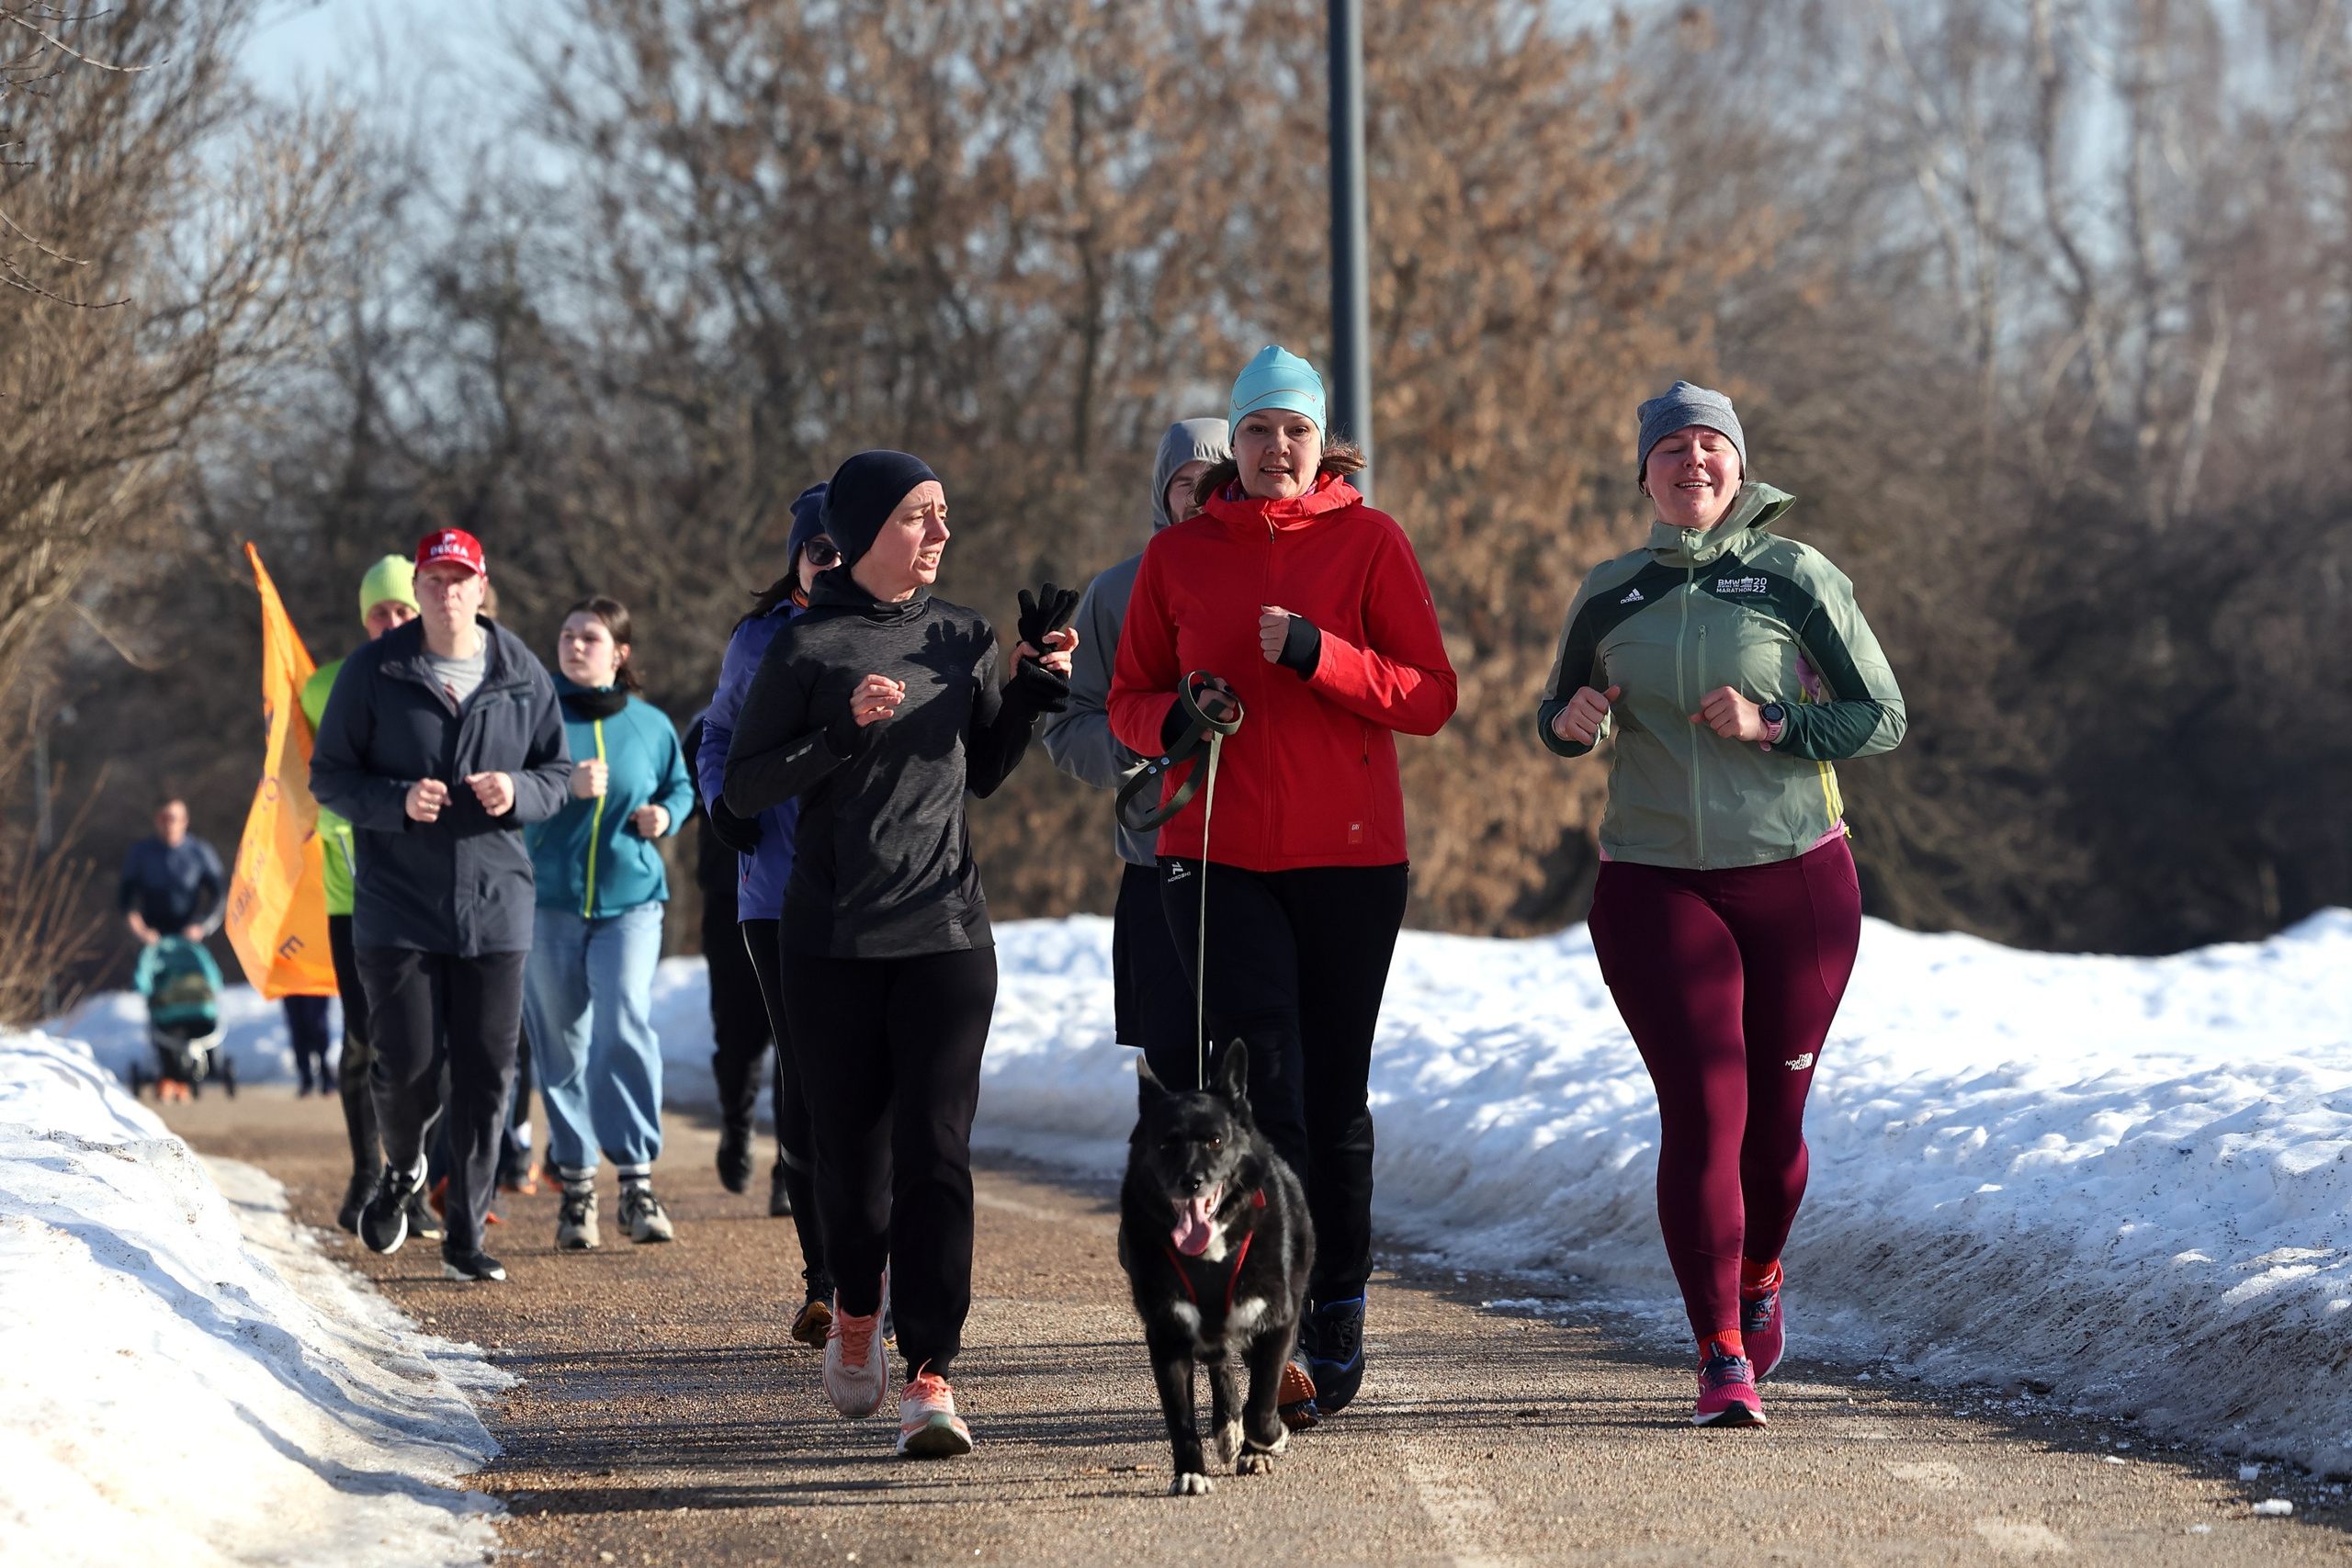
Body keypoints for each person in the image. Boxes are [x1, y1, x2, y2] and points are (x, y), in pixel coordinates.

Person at [1536, 380, 1906, 1427]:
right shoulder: (1610, 593)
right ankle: (1720, 1354)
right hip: (1652, 882)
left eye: (1711, 447)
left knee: (1774, 1130)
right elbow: (1558, 712)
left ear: (1739, 468)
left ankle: (1761, 1273)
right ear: (1643, 472)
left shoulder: (1795, 579)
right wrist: (1572, 725)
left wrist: (1773, 722)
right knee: (1703, 1113)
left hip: (1795, 878)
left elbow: (1880, 718)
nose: (1692, 463)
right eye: (1672, 450)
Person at [1107, 346, 1457, 1427]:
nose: (1274, 449)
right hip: (1213, 860)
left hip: (1350, 864)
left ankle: (1338, 1297)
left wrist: (1319, 654)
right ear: (1234, 440)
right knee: (1264, 1085)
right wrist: (1177, 716)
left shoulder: (1370, 540)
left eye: (1292, 432)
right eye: (1256, 431)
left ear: (1319, 443)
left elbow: (1429, 695)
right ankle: (1279, 1323)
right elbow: (1127, 697)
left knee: (1333, 1094)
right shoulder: (1180, 555)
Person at [725, 450, 1075, 1460]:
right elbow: (743, 790)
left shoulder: (960, 633)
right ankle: (854, 1308)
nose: (941, 533)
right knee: (853, 1163)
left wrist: (1030, 687)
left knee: (938, 1151)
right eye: (923, 516)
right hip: (830, 941)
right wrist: (838, 732)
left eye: (945, 516)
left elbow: (987, 772)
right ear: (873, 526)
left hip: (946, 931)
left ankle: (931, 1370)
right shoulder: (802, 647)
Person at [311, 527, 571, 1285]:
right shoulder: (374, 672)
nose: (448, 592)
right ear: (418, 590)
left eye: (462, 579)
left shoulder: (521, 669)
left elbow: (555, 768)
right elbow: (329, 777)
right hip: (398, 904)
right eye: (435, 580)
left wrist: (518, 790)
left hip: (496, 900)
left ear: (482, 587)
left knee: (490, 1073)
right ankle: (403, 1165)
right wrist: (395, 800)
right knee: (408, 1069)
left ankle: (465, 1233)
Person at [1043, 419, 1230, 1089]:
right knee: (1174, 1064)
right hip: (1157, 860)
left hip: (1263, 862)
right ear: (1163, 491)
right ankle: (1174, 1196)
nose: (1201, 495)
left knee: (1257, 1066)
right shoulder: (1117, 592)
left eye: (1216, 479)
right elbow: (1068, 726)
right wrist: (1146, 741)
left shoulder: (1271, 576)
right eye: (1186, 482)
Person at [696, 484, 839, 1345]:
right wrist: (722, 805)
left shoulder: (891, 631)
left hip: (869, 893)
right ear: (795, 559)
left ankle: (877, 1264)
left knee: (869, 1086)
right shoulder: (759, 638)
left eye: (838, 548)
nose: (825, 562)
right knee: (806, 1075)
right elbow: (715, 739)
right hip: (773, 890)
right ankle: (823, 1277)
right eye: (812, 550)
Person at [523, 595, 695, 1250]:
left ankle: (636, 1181)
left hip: (631, 900)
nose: (573, 645)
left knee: (622, 1019)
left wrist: (667, 817)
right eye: (566, 634)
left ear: (619, 653)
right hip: (550, 902)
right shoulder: (537, 720)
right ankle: (575, 1186)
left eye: (589, 637)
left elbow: (681, 785)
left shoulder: (650, 724)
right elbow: (506, 790)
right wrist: (560, 786)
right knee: (561, 1042)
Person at [300, 554, 424, 1232]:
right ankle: (365, 1171)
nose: (392, 621)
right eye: (380, 611)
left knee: (421, 1040)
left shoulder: (439, 677)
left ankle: (414, 1176)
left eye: (403, 608)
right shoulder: (323, 685)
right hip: (349, 889)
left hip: (419, 883)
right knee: (362, 1038)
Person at [118, 799, 225, 947]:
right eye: (163, 818)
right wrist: (141, 931)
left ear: (184, 821)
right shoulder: (140, 853)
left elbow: (220, 895)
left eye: (173, 818)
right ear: (156, 820)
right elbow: (126, 899)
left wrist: (202, 927)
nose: (168, 824)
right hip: (150, 940)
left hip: (191, 941)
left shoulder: (200, 852)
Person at [283, 995, 333, 1095]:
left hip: (314, 983)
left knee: (317, 1023)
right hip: (290, 985)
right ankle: (305, 1077)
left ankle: (325, 1072)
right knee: (297, 1028)